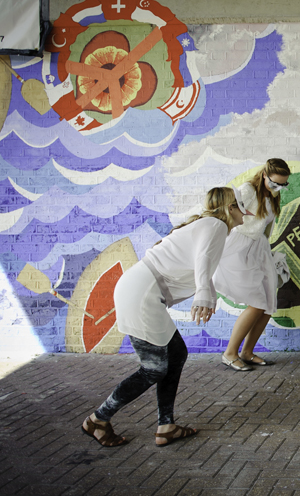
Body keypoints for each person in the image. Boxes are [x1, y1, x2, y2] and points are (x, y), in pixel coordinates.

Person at [81, 187, 244, 447]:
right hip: (142, 293)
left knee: (176, 353)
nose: (246, 210)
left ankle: (166, 426)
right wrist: (202, 293)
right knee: (154, 368)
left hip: (142, 289)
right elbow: (202, 260)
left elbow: (202, 265)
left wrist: (208, 292)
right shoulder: (215, 225)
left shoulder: (209, 226)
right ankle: (98, 419)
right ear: (230, 207)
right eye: (241, 204)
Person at [214, 158, 291, 371]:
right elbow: (225, 212)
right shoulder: (247, 190)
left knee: (267, 304)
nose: (278, 188)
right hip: (240, 248)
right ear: (264, 175)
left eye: (283, 185)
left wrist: (268, 251)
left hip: (260, 249)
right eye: (275, 183)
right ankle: (230, 353)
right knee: (257, 303)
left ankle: (247, 352)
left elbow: (266, 228)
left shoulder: (273, 196)